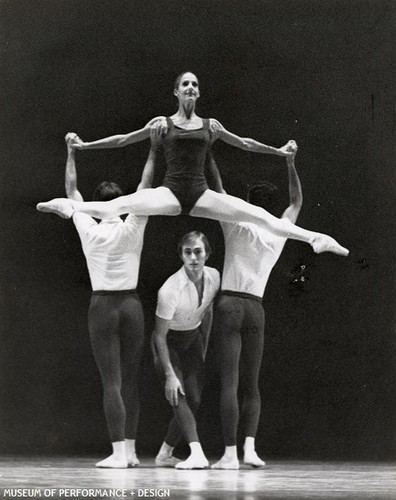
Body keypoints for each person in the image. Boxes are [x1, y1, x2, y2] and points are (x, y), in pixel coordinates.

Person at [37, 71, 349, 257]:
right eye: (185, 84)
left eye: (194, 85)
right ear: (176, 91)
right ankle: (70, 206)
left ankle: (314, 238)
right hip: (171, 192)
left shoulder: (210, 125)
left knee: (256, 215)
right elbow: (122, 140)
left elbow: (244, 143)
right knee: (119, 204)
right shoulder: (162, 123)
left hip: (200, 194)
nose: (190, 88)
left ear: (198, 93)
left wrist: (279, 152)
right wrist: (85, 145)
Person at [61, 132, 158, 468]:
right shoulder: (133, 225)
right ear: (121, 202)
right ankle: (129, 452)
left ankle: (118, 453)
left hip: (103, 306)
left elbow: (72, 194)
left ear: (98, 204)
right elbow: (144, 190)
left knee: (112, 382)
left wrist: (71, 153)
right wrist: (154, 147)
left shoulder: (91, 227)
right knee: (130, 379)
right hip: (132, 306)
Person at [211, 150, 303, 470]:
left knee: (230, 383)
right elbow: (296, 204)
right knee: (252, 384)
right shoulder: (279, 229)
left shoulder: (236, 223)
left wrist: (210, 149)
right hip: (255, 309)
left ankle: (228, 454)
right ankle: (249, 449)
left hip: (231, 305)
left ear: (247, 203)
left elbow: (218, 190)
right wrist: (290, 163)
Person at [152, 231, 220, 469]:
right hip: (168, 342)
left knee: (195, 399)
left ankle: (164, 454)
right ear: (181, 255)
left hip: (193, 340)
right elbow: (159, 335)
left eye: (198, 251)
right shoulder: (170, 289)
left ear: (207, 254)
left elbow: (208, 312)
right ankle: (197, 452)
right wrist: (170, 374)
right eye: (187, 252)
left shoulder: (214, 276)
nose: (193, 257)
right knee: (178, 394)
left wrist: (204, 346)